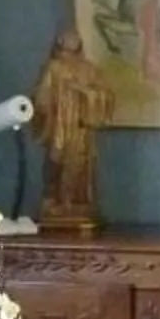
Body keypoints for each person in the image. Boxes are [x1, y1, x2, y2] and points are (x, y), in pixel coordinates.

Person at [29, 30, 112, 233]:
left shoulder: (89, 70)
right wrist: (44, 107)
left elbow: (105, 95)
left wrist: (87, 94)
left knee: (81, 163)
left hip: (80, 127)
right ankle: (54, 201)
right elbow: (41, 97)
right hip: (58, 126)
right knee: (56, 161)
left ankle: (77, 201)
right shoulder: (53, 68)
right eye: (66, 41)